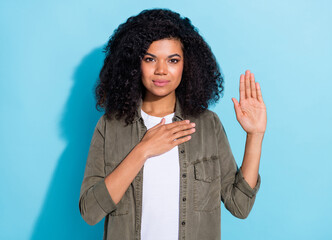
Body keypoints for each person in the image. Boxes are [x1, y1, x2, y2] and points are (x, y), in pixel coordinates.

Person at [79, 8, 267, 240]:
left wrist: (255, 136)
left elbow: (240, 206)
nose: (161, 70)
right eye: (150, 59)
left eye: (173, 60)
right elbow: (90, 211)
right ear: (133, 64)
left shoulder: (208, 125)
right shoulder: (110, 126)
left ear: (186, 65)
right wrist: (143, 149)